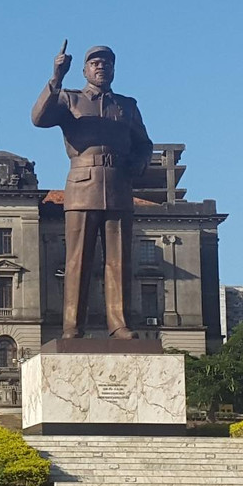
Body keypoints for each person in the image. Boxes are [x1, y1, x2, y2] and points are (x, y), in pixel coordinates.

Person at [31, 44, 153, 339]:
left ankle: (119, 323)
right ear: (85, 70)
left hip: (119, 183)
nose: (101, 67)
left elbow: (144, 143)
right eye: (95, 63)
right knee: (78, 260)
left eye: (107, 63)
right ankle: (72, 326)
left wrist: (138, 164)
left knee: (119, 260)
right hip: (83, 183)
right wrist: (56, 78)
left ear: (113, 70)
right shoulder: (68, 99)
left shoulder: (127, 106)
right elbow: (38, 118)